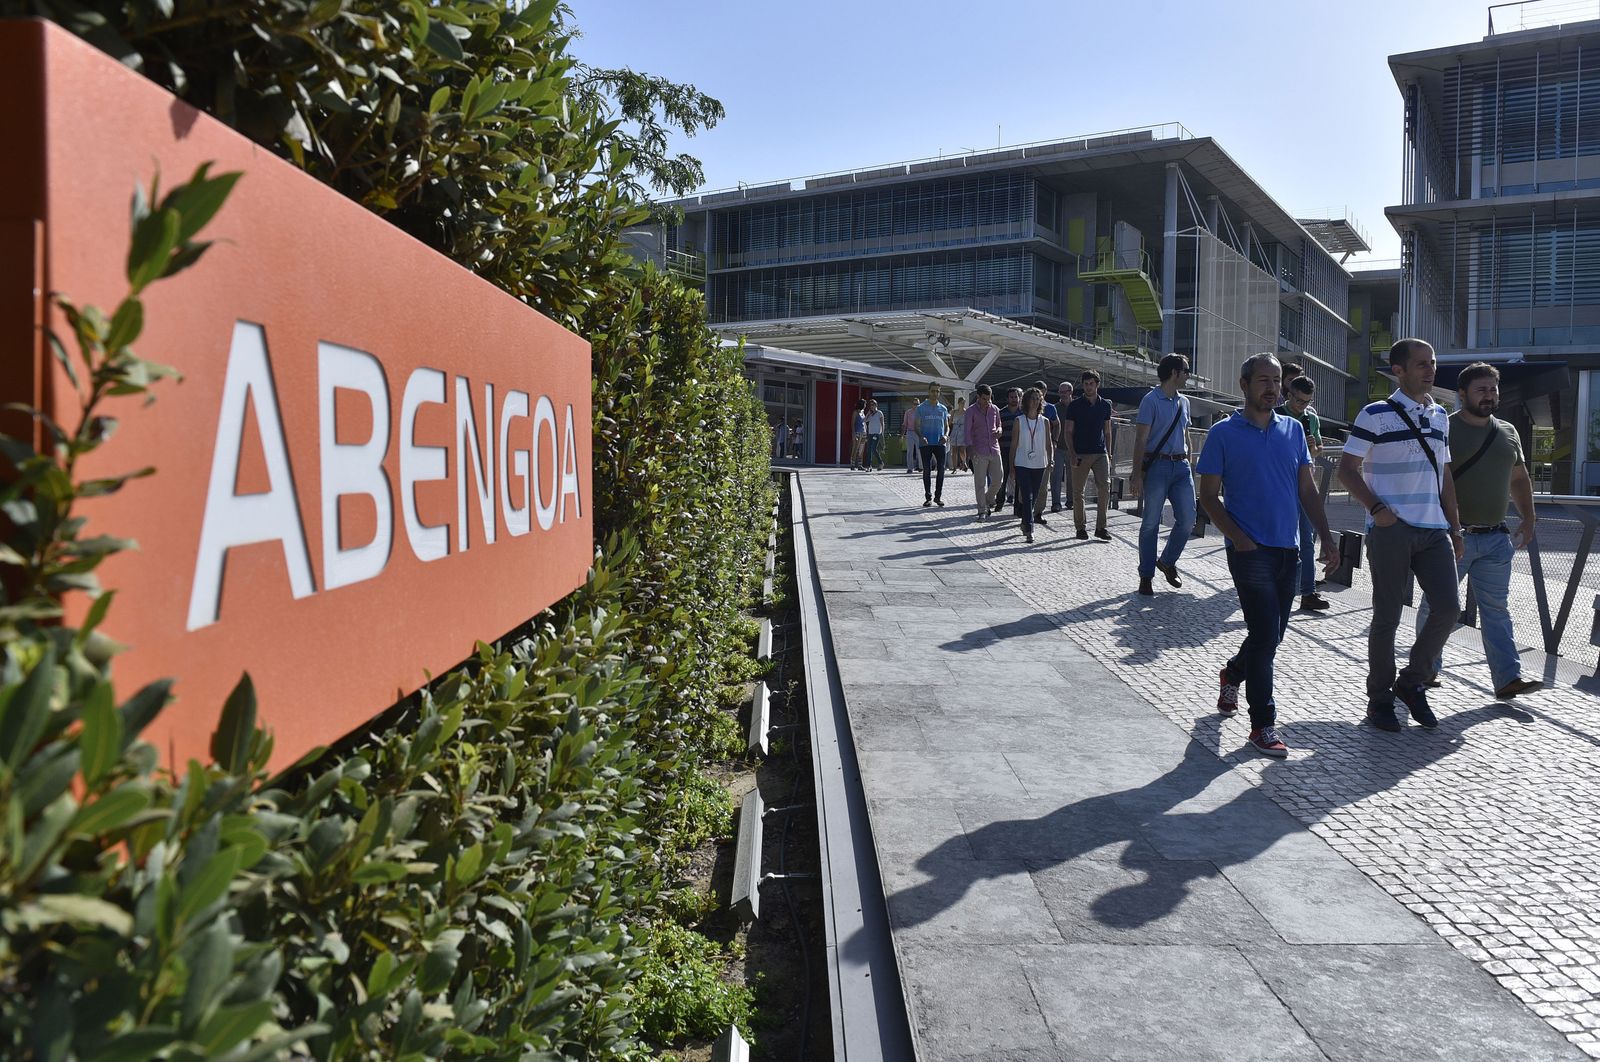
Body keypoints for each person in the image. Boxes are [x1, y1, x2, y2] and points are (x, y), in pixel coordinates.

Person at [1198, 353, 1338, 758]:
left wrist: (1326, 538)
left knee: (1272, 636)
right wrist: (1239, 539)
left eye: (1277, 381)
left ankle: (1234, 672)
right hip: (1250, 551)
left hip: (1288, 549)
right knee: (1263, 634)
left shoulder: (1293, 430)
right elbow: (1208, 496)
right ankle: (1263, 725)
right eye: (1263, 380)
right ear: (1244, 385)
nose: (1273, 388)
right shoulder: (1223, 434)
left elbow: (1307, 490)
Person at [1337, 338, 1464, 733]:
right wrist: (1377, 510)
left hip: (1434, 530)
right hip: (1392, 530)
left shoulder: (1441, 415)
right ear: (1399, 370)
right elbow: (1346, 469)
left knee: (1448, 609)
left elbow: (1444, 475)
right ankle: (1379, 701)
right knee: (1387, 617)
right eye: (1422, 364)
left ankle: (1410, 683)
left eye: (1433, 363)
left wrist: (1455, 527)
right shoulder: (1375, 414)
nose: (1430, 370)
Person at [1415, 362, 1543, 701]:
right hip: (1452, 536)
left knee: (1497, 611)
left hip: (1497, 538)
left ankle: (1507, 679)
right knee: (1437, 606)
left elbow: (1518, 479)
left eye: (1493, 389)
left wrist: (1528, 519)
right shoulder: (1445, 429)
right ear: (1462, 394)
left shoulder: (1508, 431)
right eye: (1481, 390)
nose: (1489, 396)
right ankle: (1425, 670)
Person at [1129, 354, 1195, 596]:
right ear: (1174, 373)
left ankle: (1167, 561)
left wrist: (1189, 460)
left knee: (1188, 519)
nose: (1189, 375)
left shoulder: (1184, 402)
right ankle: (1146, 575)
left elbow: (1186, 434)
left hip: (1181, 466)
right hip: (1157, 466)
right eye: (1186, 370)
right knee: (1150, 523)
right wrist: (1137, 474)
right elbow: (1141, 439)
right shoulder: (1151, 400)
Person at [1279, 376, 1330, 611]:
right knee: (1281, 539)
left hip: (1304, 484)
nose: (1302, 406)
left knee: (1307, 540)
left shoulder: (1312, 418)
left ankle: (1308, 592)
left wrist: (1313, 446)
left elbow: (1318, 451)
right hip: (1279, 485)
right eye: (1299, 401)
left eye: (1307, 402)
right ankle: (1278, 589)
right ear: (1289, 395)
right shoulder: (1276, 414)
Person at [1064, 370, 1114, 540]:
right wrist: (1072, 453)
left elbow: (1107, 432)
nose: (1088, 387)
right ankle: (1080, 527)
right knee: (1078, 492)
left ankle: (1101, 527)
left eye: (1091, 383)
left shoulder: (1105, 405)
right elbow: (1068, 431)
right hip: (1080, 453)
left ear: (1097, 384)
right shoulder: (1075, 405)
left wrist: (1109, 453)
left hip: (1101, 453)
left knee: (1105, 489)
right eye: (1085, 384)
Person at [1011, 387, 1054, 543]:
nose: (1035, 401)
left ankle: (1024, 522)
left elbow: (1049, 444)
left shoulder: (1045, 421)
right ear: (1027, 401)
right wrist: (1011, 466)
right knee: (1028, 497)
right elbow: (1014, 446)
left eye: (1038, 398)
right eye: (1033, 398)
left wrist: (1051, 459)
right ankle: (1030, 529)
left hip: (1039, 463)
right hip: (1022, 463)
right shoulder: (1019, 421)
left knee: (1034, 497)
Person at [965, 385, 1004, 520]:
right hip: (978, 450)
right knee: (980, 482)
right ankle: (982, 510)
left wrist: (999, 430)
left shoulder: (995, 409)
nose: (987, 402)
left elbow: (999, 425)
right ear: (978, 397)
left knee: (999, 479)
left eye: (989, 399)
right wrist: (970, 452)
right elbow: (967, 432)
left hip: (994, 448)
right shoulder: (970, 411)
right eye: (984, 399)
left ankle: (987, 499)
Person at [914, 384, 951, 507]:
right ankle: (928, 497)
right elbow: (916, 426)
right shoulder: (921, 408)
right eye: (933, 391)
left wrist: (946, 436)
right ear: (928, 392)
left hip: (940, 443)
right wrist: (921, 437)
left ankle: (938, 497)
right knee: (926, 470)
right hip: (925, 443)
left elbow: (947, 426)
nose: (935, 393)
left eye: (937, 391)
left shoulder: (943, 409)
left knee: (941, 470)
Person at [1029, 380, 1060, 527]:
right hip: (1029, 451)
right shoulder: (1026, 407)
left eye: (1041, 392)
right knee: (1027, 484)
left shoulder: (1050, 408)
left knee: (1043, 484)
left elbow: (1057, 424)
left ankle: (1038, 512)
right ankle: (1025, 508)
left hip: (1044, 450)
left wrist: (1054, 440)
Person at [996, 387, 1023, 512]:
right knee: (1002, 478)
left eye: (1016, 397)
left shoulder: (1023, 414)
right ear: (1007, 399)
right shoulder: (1000, 413)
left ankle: (1018, 505)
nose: (1014, 399)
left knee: (1019, 480)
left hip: (1020, 451)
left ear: (1019, 398)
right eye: (1011, 397)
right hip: (1004, 450)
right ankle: (999, 502)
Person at [1051, 379, 1075, 514]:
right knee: (1056, 476)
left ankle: (1071, 501)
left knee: (1072, 477)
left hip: (1073, 447)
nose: (1062, 394)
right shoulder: (1055, 408)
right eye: (1060, 392)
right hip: (1058, 447)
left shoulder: (1077, 407)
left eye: (1064, 392)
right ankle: (1056, 503)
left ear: (1070, 392)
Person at [950, 395, 970, 473]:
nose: (963, 404)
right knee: (954, 450)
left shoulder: (967, 412)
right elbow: (950, 422)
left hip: (963, 430)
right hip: (955, 430)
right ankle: (954, 468)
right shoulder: (954, 412)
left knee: (962, 449)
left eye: (964, 402)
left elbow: (968, 423)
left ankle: (964, 462)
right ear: (958, 403)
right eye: (962, 402)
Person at [864, 399, 885, 470]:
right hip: (870, 433)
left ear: (876, 405)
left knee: (873, 448)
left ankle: (880, 462)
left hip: (877, 433)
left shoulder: (879, 413)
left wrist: (882, 432)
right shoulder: (870, 414)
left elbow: (882, 423)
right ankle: (869, 465)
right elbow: (864, 421)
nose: (871, 406)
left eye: (873, 405)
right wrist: (868, 414)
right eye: (870, 405)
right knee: (869, 449)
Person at [902, 403, 921, 474]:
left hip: (918, 432)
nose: (916, 405)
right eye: (914, 403)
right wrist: (902, 434)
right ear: (912, 404)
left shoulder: (921, 412)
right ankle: (910, 468)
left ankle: (920, 467)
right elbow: (904, 423)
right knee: (910, 451)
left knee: (919, 450)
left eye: (917, 404)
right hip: (910, 432)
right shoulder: (908, 412)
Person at [850, 398, 868, 470]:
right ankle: (852, 464)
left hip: (863, 432)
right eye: (865, 404)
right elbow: (852, 423)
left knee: (861, 449)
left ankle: (860, 465)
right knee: (855, 448)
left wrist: (866, 432)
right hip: (857, 432)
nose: (865, 405)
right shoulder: (855, 412)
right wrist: (853, 433)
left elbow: (865, 423)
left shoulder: (863, 412)